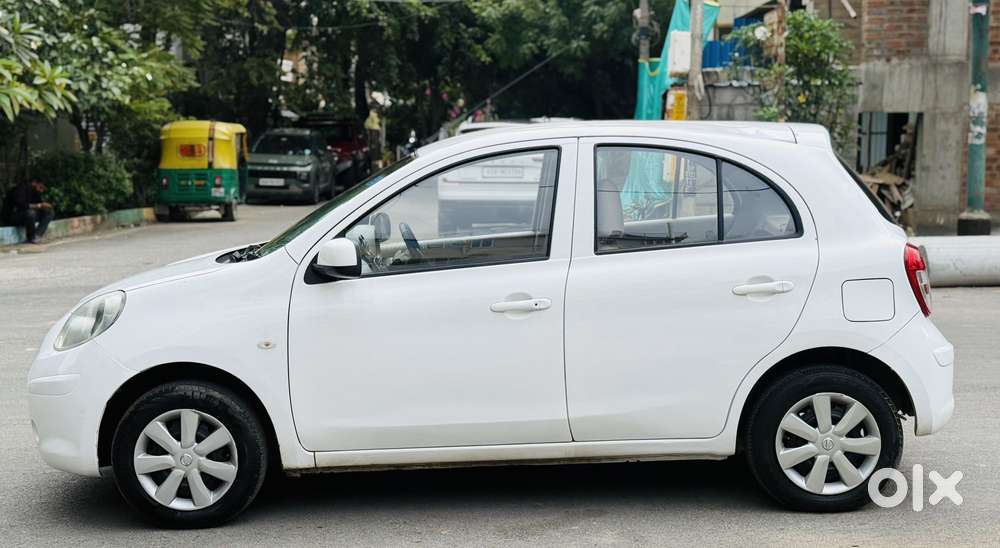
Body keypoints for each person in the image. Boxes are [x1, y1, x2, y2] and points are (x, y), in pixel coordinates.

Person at [4, 179, 54, 244]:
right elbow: (21, 205)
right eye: (40, 188)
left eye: (43, 189)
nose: (41, 191)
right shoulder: (20, 189)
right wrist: (38, 205)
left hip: (27, 215)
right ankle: (31, 237)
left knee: (49, 212)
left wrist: (45, 206)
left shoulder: (35, 192)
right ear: (34, 183)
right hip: (13, 216)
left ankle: (37, 235)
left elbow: (38, 205)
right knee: (30, 213)